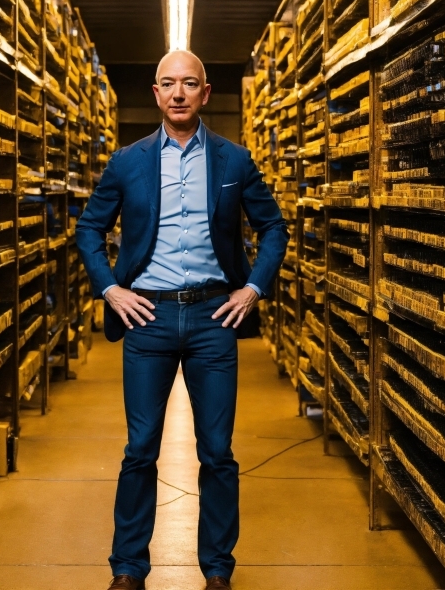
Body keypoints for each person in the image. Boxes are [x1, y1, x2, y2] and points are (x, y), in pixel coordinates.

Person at [76, 50, 288, 590]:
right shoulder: (127, 162)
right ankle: (128, 569)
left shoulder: (234, 161)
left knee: (217, 452)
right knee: (140, 447)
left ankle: (217, 570)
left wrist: (252, 289)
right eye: (168, 84)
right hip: (147, 318)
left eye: (188, 84)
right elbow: (88, 229)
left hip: (213, 318)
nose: (177, 93)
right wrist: (111, 289)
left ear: (205, 93)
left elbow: (274, 228)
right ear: (155, 93)